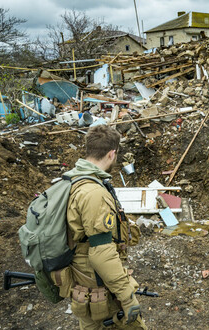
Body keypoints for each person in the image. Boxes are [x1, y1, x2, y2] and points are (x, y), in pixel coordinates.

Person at [63, 125, 146, 329]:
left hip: (84, 285)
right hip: (100, 287)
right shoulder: (94, 193)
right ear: (112, 153)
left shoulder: (71, 179)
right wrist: (127, 298)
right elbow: (101, 253)